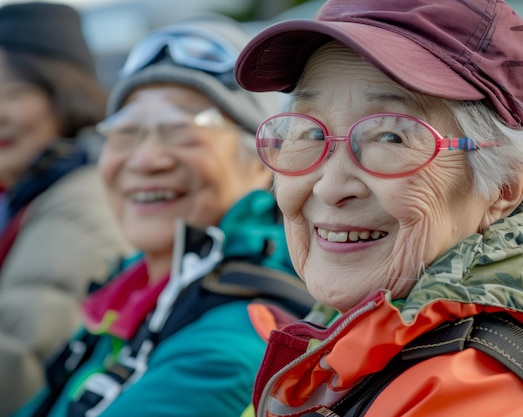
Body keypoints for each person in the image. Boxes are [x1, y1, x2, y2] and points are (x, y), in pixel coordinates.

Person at [233, 0, 523, 415]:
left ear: (505, 185)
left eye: (391, 137)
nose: (330, 187)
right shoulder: (340, 340)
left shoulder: (472, 398)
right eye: (308, 132)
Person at [11, 13, 314, 417]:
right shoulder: (131, 296)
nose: (145, 159)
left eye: (180, 130)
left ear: (263, 162)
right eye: (126, 131)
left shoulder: (240, 339)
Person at [0, 3, 133, 414]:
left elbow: (21, 358)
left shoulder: (81, 199)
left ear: (65, 95)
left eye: (16, 93)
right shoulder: (25, 192)